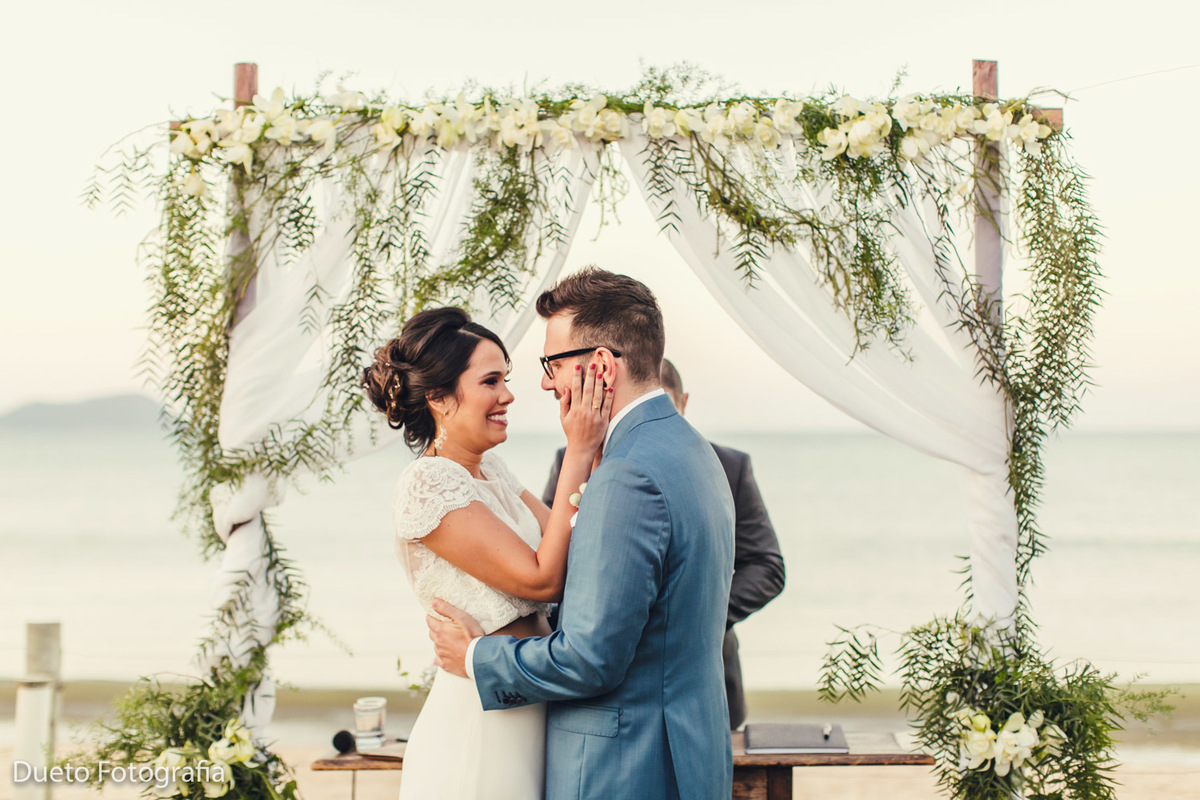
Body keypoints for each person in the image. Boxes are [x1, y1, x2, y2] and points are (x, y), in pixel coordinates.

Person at [428, 267, 736, 800]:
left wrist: (476, 657)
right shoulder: (691, 449)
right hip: (687, 749)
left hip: (623, 767)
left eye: (551, 365)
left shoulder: (628, 474)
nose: (545, 383)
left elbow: (591, 658)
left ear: (599, 366)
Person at [362, 306, 612, 800]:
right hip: (478, 726)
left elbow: (575, 549)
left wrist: (598, 453)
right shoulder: (427, 485)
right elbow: (542, 579)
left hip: (525, 705)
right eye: (491, 381)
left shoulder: (492, 471)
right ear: (438, 397)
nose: (508, 395)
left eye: (507, 379)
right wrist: (578, 452)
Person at [540, 358, 786, 729]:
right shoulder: (571, 461)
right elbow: (551, 553)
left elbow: (767, 567)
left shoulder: (728, 465)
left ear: (682, 402)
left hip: (704, 672)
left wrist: (691, 613)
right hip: (603, 686)